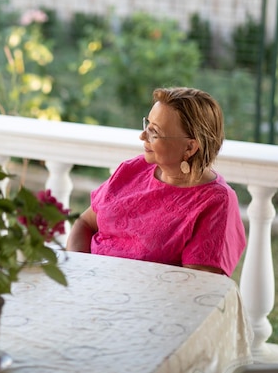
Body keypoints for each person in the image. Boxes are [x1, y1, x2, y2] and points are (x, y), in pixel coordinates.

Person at [66, 87, 246, 276]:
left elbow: (196, 287)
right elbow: (84, 224)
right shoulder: (133, 169)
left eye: (155, 132)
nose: (143, 136)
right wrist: (78, 272)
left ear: (190, 147)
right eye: (147, 124)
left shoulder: (215, 202)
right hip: (88, 284)